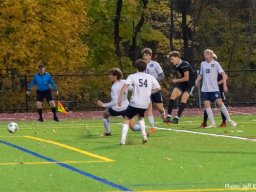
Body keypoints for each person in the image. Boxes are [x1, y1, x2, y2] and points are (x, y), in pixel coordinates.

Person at [118, 59, 160, 145]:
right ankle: (144, 136)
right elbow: (158, 88)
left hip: (135, 102)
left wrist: (120, 99)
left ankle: (123, 139)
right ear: (145, 68)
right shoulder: (150, 77)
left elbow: (124, 87)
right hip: (145, 103)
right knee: (141, 117)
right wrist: (149, 92)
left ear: (136, 67)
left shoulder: (132, 76)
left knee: (127, 119)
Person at [195, 49, 236, 128]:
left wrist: (224, 85)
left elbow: (223, 74)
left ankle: (229, 120)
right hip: (205, 89)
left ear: (210, 55)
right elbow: (201, 74)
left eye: (206, 54)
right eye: (204, 54)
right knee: (207, 106)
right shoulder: (202, 64)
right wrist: (197, 80)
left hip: (214, 89)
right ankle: (213, 123)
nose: (205, 56)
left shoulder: (216, 64)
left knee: (220, 103)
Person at [97, 68, 140, 136]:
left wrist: (103, 105)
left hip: (117, 109)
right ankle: (143, 129)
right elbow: (133, 89)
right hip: (126, 108)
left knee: (105, 114)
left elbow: (115, 102)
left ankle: (108, 132)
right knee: (134, 128)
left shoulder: (114, 87)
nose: (109, 76)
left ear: (115, 76)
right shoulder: (124, 82)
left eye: (111, 75)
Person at [163, 51, 196, 124]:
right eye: (170, 59)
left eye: (172, 59)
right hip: (182, 84)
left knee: (183, 100)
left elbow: (187, 78)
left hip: (189, 84)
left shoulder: (184, 64)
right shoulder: (176, 66)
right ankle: (168, 116)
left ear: (177, 57)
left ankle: (177, 118)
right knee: (172, 96)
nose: (171, 61)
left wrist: (176, 80)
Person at [200, 53, 228, 128]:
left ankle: (224, 121)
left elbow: (225, 75)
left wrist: (220, 82)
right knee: (207, 105)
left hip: (218, 88)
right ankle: (205, 122)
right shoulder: (206, 66)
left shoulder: (216, 66)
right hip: (209, 89)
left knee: (220, 104)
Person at [141, 47, 165, 133]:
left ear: (150, 56)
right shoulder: (141, 65)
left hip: (155, 89)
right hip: (146, 90)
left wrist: (154, 81)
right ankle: (152, 127)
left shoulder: (155, 64)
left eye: (147, 55)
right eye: (144, 55)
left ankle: (163, 114)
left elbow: (162, 76)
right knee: (149, 107)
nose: (145, 57)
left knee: (160, 108)